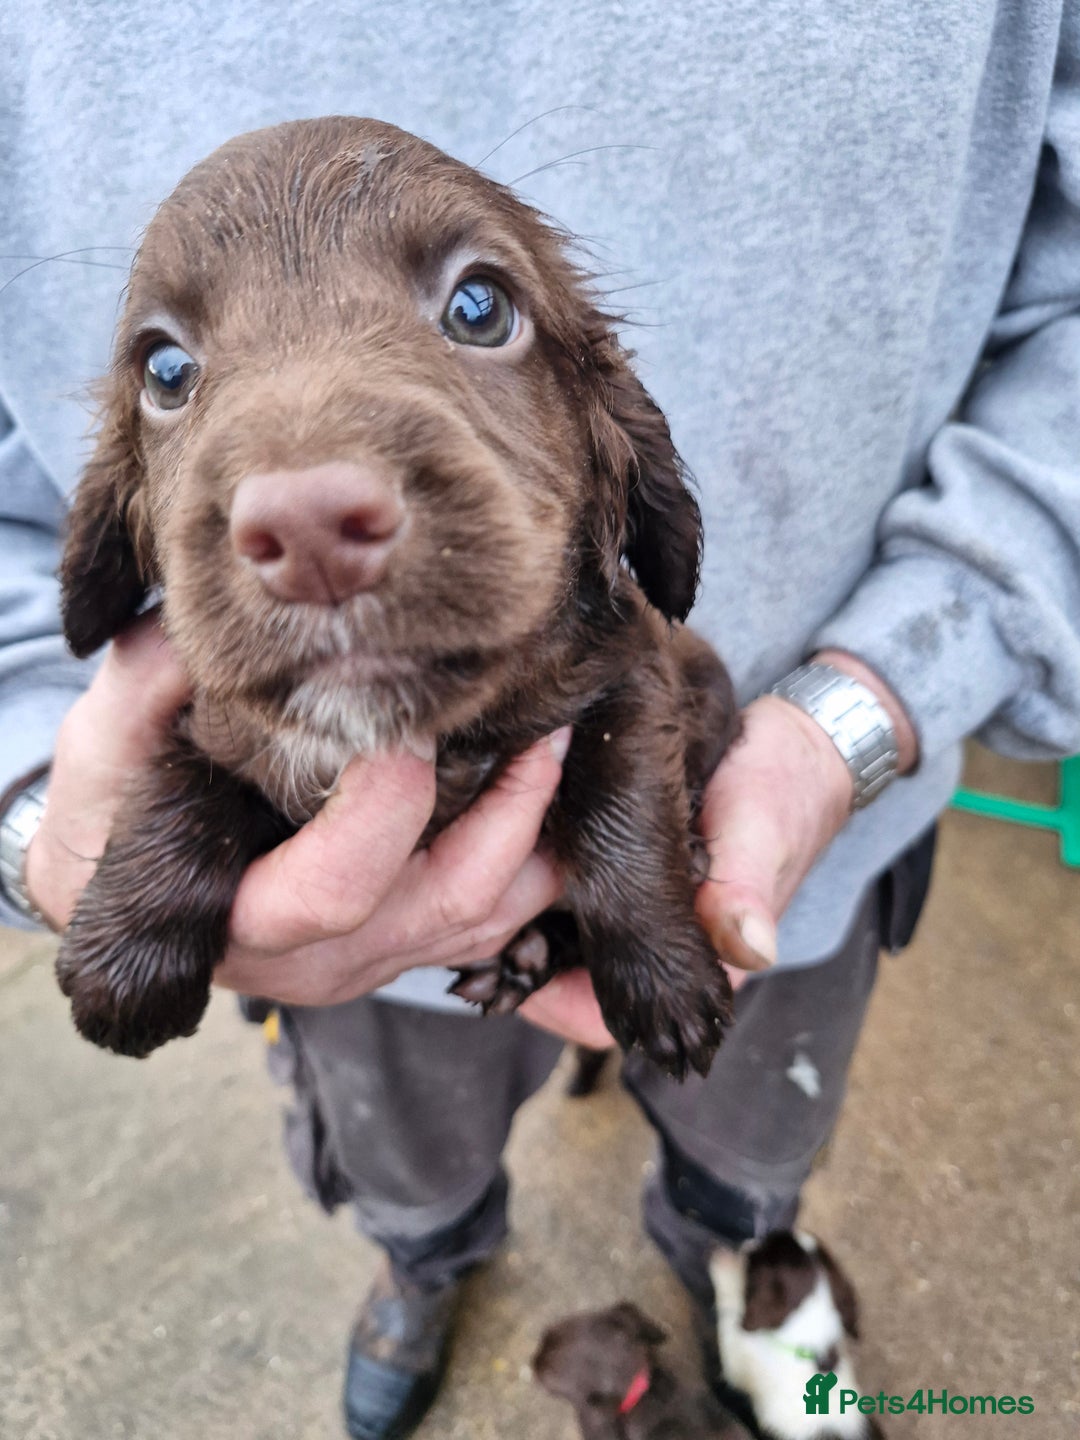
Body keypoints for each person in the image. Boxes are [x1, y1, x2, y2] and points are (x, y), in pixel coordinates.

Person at [2, 6, 1078, 1438]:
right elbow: (183, 755)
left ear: (615, 435)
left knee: (752, 1114)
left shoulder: (615, 601)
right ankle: (424, 1260)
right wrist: (39, 817)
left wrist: (861, 712)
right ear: (122, 515)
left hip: (786, 861)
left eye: (476, 310)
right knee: (404, 1158)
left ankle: (736, 1243)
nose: (305, 493)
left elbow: (644, 669)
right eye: (173, 374)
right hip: (348, 980)